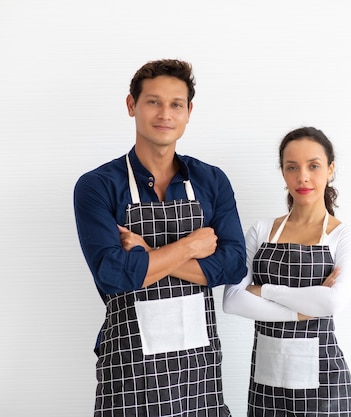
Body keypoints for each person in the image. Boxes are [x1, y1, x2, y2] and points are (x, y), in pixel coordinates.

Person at [73, 58, 247, 417]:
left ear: (188, 112)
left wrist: (148, 254)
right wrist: (190, 247)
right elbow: (114, 274)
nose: (164, 113)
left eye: (175, 104)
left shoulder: (211, 181)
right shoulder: (97, 186)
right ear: (131, 105)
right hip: (130, 367)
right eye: (153, 101)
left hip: (199, 369)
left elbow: (232, 266)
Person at [223, 126, 351, 416]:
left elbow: (331, 302)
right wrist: (300, 310)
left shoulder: (343, 236)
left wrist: (265, 291)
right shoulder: (261, 231)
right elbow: (232, 300)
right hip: (265, 385)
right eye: (292, 167)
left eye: (313, 166)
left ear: (330, 169)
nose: (303, 177)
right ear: (283, 173)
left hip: (325, 386)